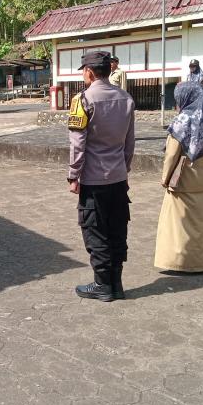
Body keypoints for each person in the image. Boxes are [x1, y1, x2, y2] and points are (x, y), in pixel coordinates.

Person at [68, 51, 135, 301]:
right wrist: (124, 169)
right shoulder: (126, 98)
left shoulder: (82, 100)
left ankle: (102, 285)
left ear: (89, 72)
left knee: (95, 230)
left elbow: (78, 144)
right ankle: (116, 284)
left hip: (93, 179)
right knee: (117, 230)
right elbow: (130, 142)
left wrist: (73, 175)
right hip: (118, 178)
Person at [154, 83, 203, 272]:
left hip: (184, 180)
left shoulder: (182, 120)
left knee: (180, 226)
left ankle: (181, 262)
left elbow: (171, 154)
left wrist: (165, 178)